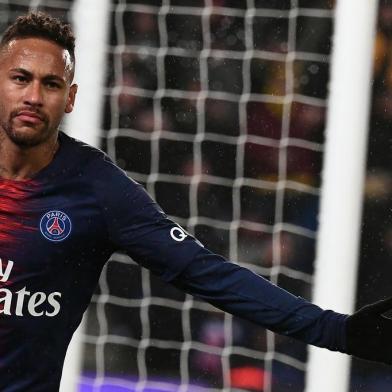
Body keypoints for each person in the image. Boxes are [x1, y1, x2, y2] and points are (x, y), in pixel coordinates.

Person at [0, 11, 390, 392]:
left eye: (50, 84)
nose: (34, 96)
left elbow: (209, 274)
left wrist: (334, 329)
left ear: (70, 99)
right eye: (20, 78)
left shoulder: (97, 188)